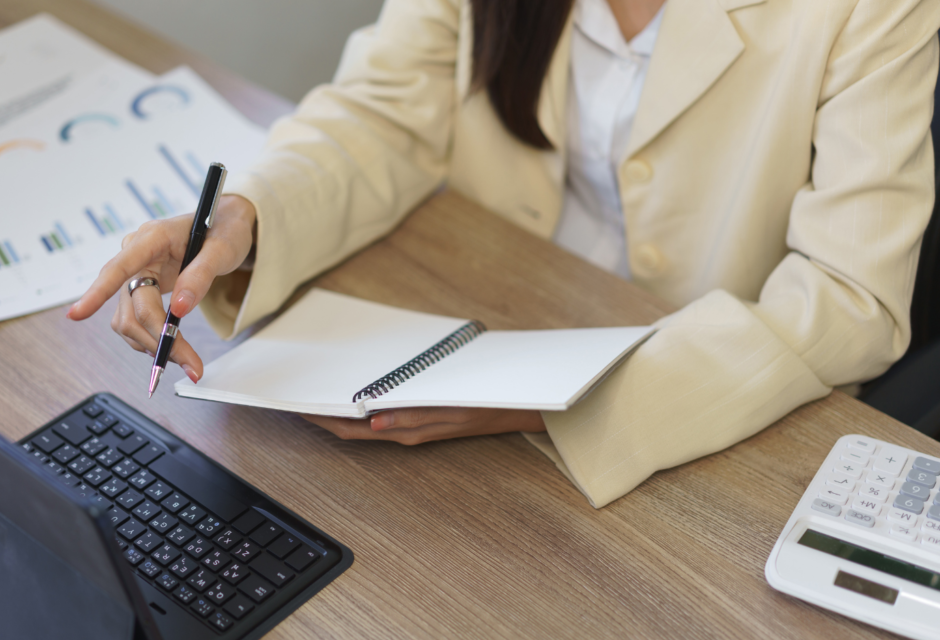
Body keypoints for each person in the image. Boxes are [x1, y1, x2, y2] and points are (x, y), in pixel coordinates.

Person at [68, 0, 940, 508]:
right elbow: (383, 108)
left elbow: (849, 294)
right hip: (482, 314)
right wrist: (247, 218)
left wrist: (551, 401)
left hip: (705, 408)